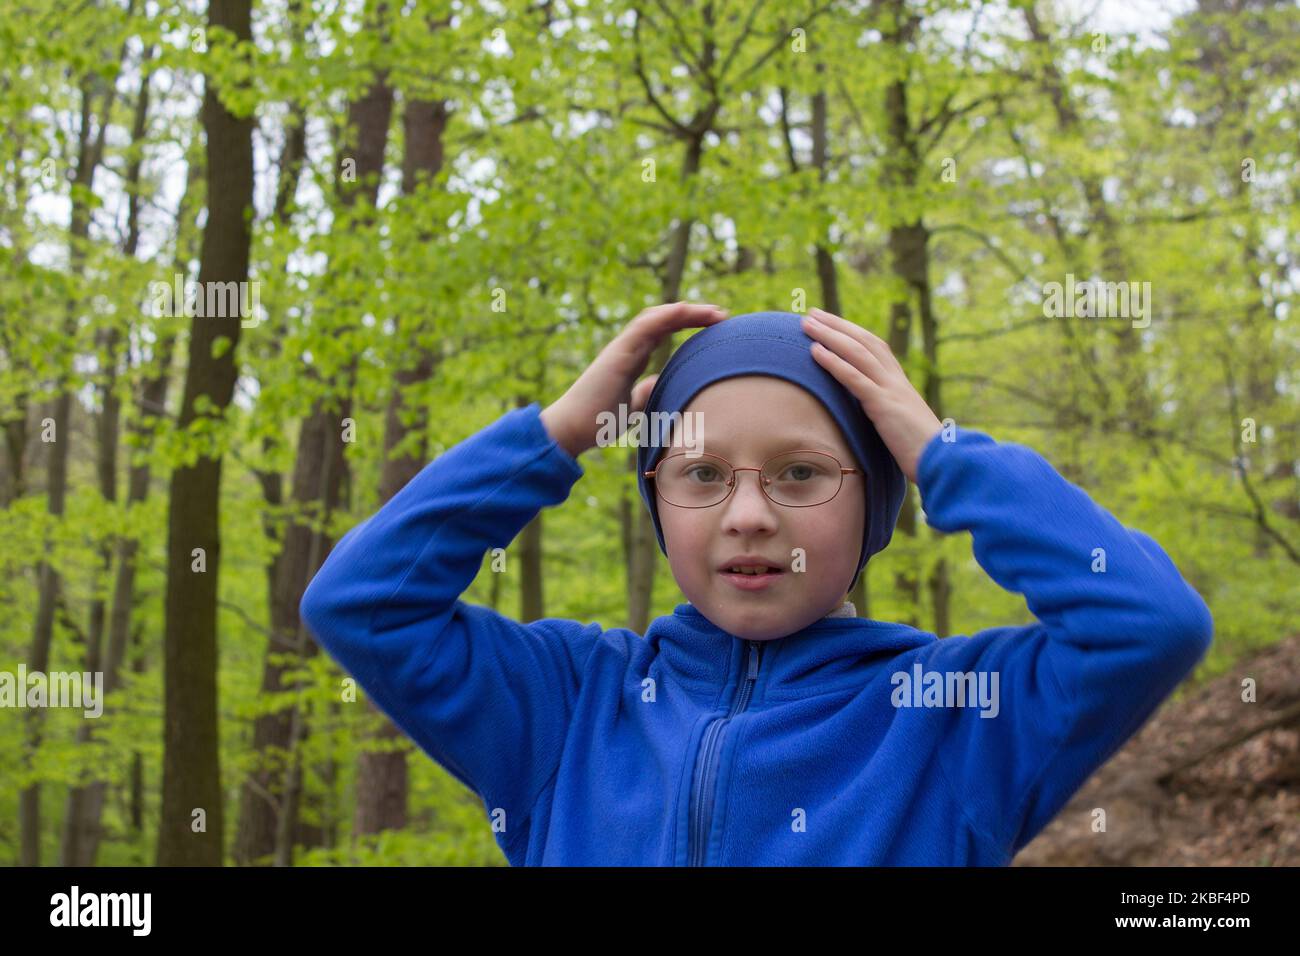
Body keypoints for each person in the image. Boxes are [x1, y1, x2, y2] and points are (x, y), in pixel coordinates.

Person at [300, 302, 1214, 865]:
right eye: (700, 475)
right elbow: (360, 601)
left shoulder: (950, 719)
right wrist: (558, 432)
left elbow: (1150, 622)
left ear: (876, 511)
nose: (747, 515)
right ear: (657, 503)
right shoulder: (567, 709)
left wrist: (940, 455)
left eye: (803, 474)